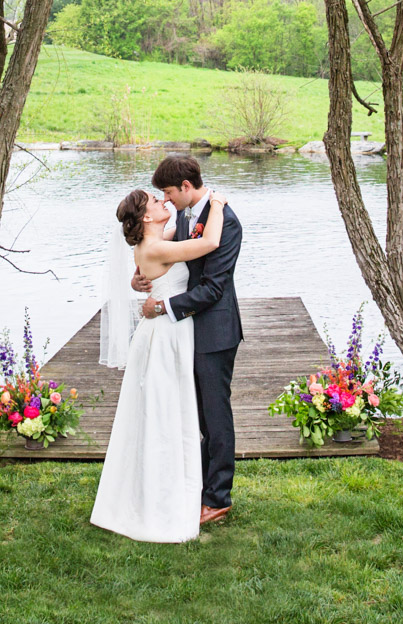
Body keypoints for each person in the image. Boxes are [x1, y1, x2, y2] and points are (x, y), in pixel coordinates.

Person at [90, 186, 227, 542]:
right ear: (147, 217)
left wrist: (137, 279)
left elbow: (179, 239)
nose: (162, 200)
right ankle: (161, 501)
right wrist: (218, 203)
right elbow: (209, 242)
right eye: (155, 200)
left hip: (165, 332)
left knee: (162, 412)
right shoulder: (155, 247)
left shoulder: (152, 242)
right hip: (165, 336)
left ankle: (164, 490)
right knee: (163, 414)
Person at [137, 154, 243, 526]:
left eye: (167, 191)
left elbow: (214, 288)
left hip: (214, 332)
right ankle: (196, 485)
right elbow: (166, 259)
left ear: (185, 187)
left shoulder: (225, 221)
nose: (164, 200)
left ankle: (218, 497)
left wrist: (162, 305)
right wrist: (142, 277)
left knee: (216, 417)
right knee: (193, 414)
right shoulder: (184, 216)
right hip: (185, 333)